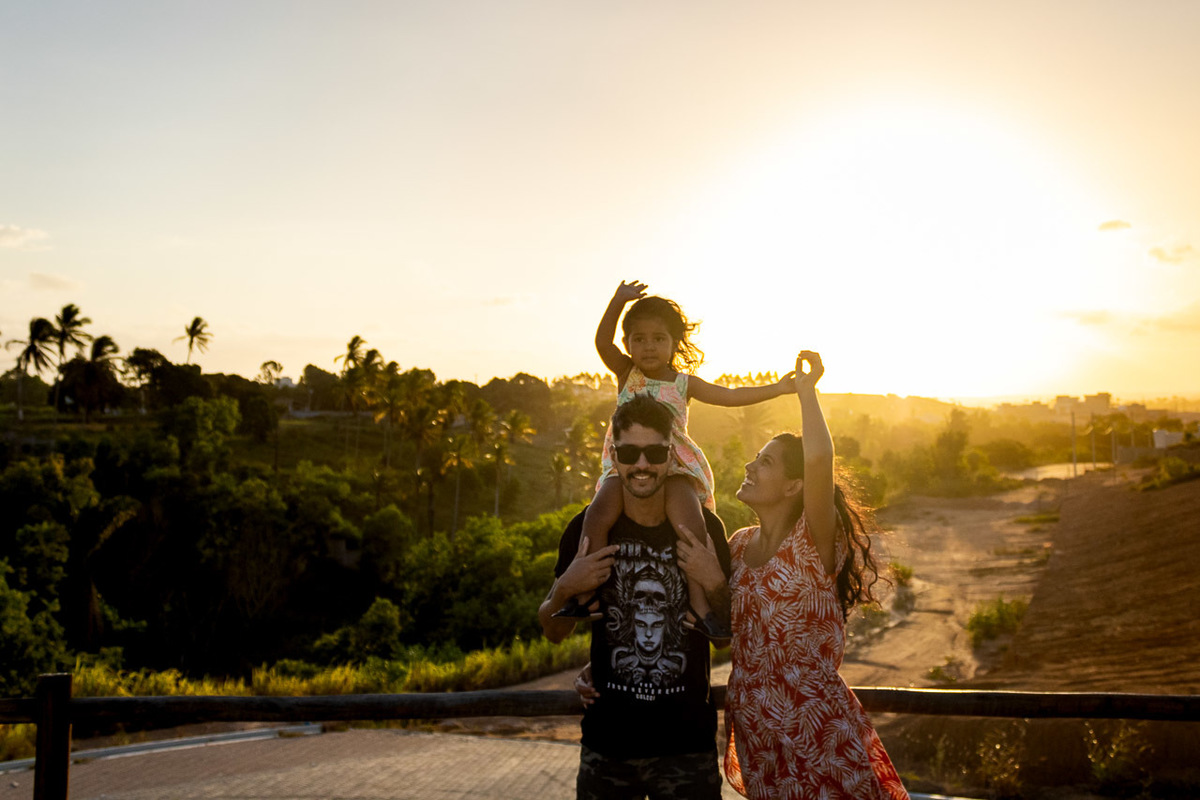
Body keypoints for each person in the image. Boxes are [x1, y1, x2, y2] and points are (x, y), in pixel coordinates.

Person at [577, 352, 909, 800]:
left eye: (765, 462)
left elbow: (818, 458)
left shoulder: (813, 543)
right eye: (756, 457)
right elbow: (706, 620)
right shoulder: (736, 545)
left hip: (814, 724)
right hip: (755, 728)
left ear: (794, 485)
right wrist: (602, 663)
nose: (750, 466)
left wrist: (806, 392)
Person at [556, 280, 795, 638]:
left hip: (676, 464)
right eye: (639, 339)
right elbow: (602, 342)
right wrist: (617, 302)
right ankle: (585, 594)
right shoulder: (627, 373)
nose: (649, 346)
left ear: (674, 342)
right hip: (627, 464)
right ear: (628, 344)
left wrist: (778, 388)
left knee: (691, 524)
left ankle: (700, 607)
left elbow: (730, 395)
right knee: (597, 513)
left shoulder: (684, 384)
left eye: (658, 338)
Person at [539, 394, 733, 800]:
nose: (642, 465)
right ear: (614, 455)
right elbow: (553, 632)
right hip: (608, 748)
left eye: (654, 453)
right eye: (629, 453)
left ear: (670, 455)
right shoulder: (586, 529)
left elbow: (724, 639)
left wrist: (714, 581)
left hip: (687, 748)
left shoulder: (706, 529)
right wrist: (566, 587)